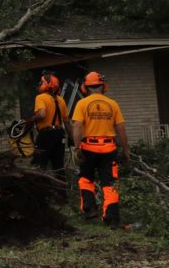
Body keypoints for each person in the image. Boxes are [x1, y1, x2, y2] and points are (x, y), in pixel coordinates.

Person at [72, 71, 130, 227]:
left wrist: (77, 147)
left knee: (85, 178)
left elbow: (77, 125)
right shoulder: (112, 104)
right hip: (109, 149)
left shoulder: (82, 104)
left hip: (88, 147)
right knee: (110, 183)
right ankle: (112, 218)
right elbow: (121, 128)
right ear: (103, 86)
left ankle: (90, 208)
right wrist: (126, 150)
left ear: (85, 88)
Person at [26, 70, 70, 171]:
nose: (39, 84)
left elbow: (42, 114)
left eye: (41, 83)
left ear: (47, 84)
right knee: (58, 166)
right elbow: (67, 122)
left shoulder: (40, 97)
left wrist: (31, 120)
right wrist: (71, 138)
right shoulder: (61, 99)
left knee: (39, 164)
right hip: (60, 134)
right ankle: (61, 184)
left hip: (46, 135)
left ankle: (40, 185)